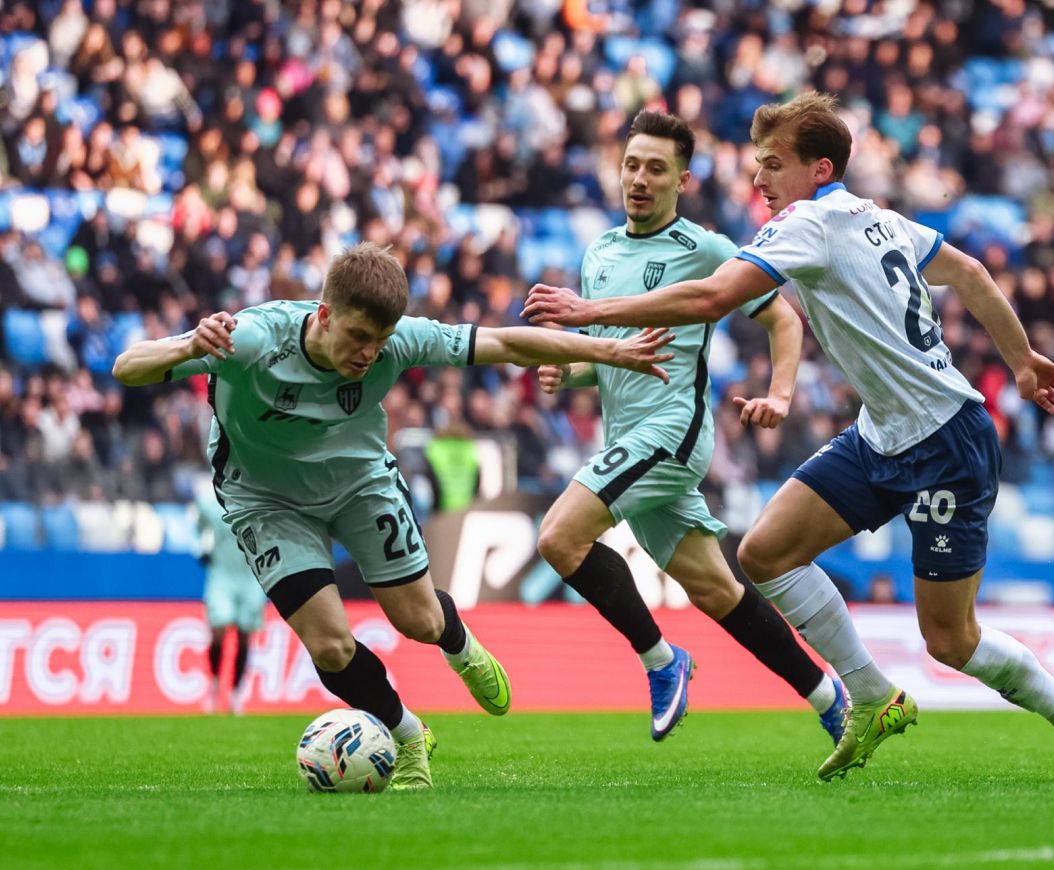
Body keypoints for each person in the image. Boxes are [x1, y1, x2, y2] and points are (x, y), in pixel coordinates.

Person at [526, 93, 1054, 783]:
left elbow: (712, 298)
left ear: (820, 169)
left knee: (950, 640)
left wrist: (589, 311)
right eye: (757, 165)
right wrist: (1019, 360)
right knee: (764, 553)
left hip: (946, 443)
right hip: (881, 434)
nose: (759, 180)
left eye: (774, 165)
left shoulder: (807, 222)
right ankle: (870, 694)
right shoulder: (878, 218)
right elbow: (971, 274)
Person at [114, 242, 675, 790]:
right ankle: (408, 737)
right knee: (330, 645)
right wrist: (191, 346)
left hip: (360, 484)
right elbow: (126, 367)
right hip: (265, 500)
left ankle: (460, 646)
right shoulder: (254, 339)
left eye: (380, 340)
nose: (369, 354)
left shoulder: (399, 341)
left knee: (420, 621)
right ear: (325, 315)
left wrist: (610, 352)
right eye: (359, 336)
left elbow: (504, 343)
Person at [533, 111, 845, 744]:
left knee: (559, 538)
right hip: (627, 439)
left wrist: (780, 393)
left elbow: (784, 320)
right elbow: (614, 356)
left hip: (672, 433)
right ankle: (828, 696)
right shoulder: (600, 252)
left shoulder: (705, 250)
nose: (639, 179)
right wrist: (570, 374)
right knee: (715, 589)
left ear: (682, 180)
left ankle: (661, 660)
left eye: (656, 169)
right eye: (631, 165)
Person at [191, 477, 269, 715]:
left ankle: (236, 693)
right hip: (222, 575)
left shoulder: (261, 500)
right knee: (219, 628)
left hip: (251, 577)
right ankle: (214, 686)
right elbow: (197, 528)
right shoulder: (209, 503)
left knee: (245, 634)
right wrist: (200, 548)